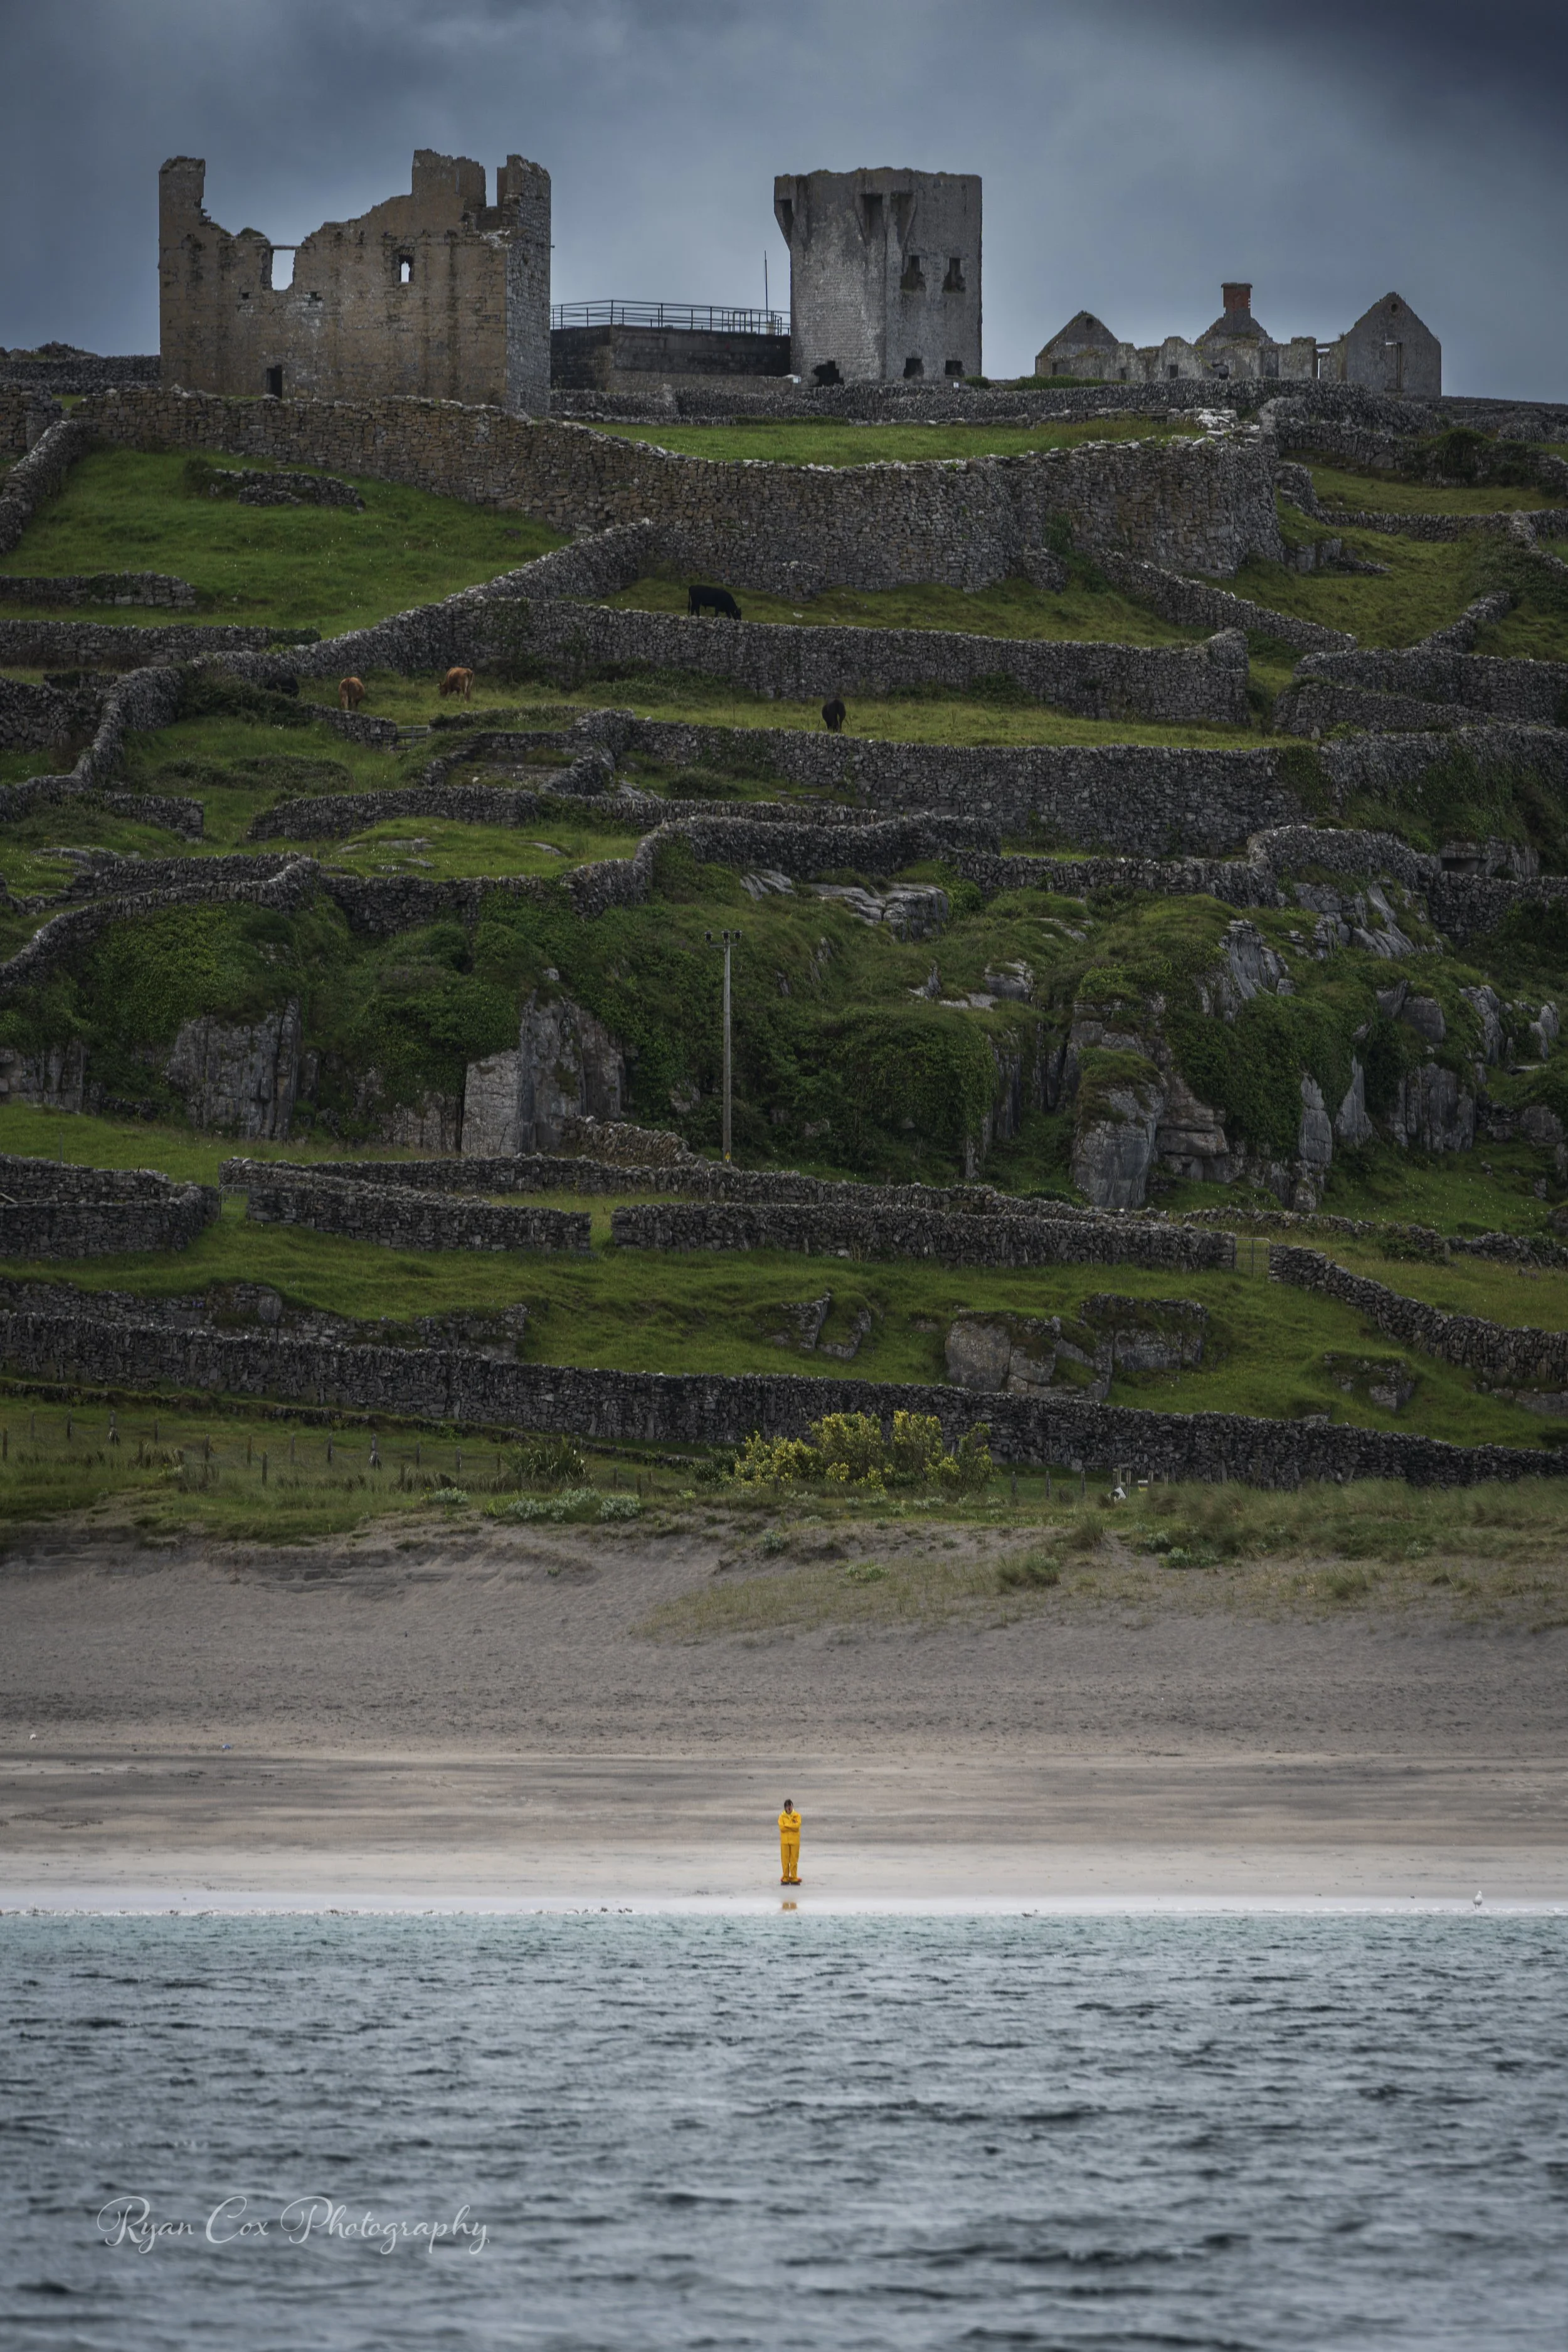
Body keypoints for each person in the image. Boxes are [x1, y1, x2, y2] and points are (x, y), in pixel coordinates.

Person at [778, 1797, 802, 1885]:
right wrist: (791, 1826)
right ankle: (786, 1877)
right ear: (785, 1808)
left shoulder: (797, 1816)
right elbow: (782, 1828)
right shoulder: (781, 1817)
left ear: (792, 1807)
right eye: (787, 1806)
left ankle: (794, 1877)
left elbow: (797, 1827)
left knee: (794, 1860)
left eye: (790, 1806)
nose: (789, 1808)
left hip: (795, 1841)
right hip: (785, 1842)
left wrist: (787, 1825)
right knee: (785, 1861)